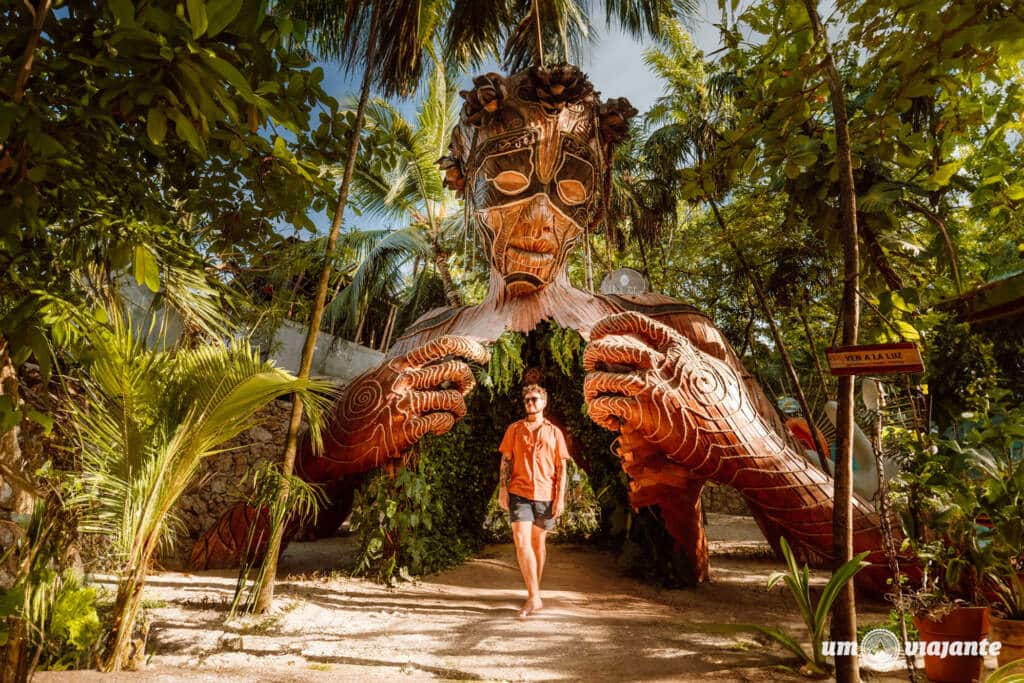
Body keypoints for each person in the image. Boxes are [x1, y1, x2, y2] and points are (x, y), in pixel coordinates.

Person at [498, 384, 570, 618]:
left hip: (546, 494)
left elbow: (562, 468)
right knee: (521, 541)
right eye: (527, 399)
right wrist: (502, 490)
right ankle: (533, 597)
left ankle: (533, 592)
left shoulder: (554, 432)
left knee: (537, 543)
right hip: (519, 491)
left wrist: (560, 499)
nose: (531, 403)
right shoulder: (514, 429)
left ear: (544, 402)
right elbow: (506, 461)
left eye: (535, 399)